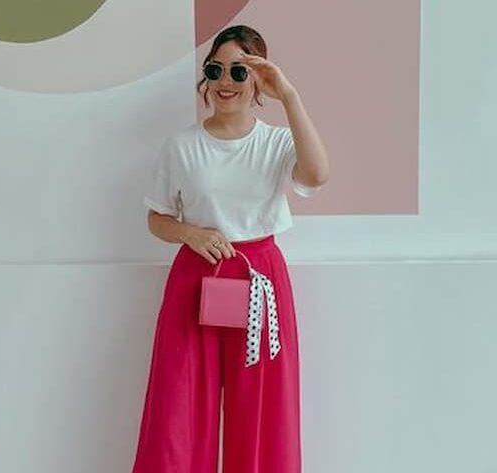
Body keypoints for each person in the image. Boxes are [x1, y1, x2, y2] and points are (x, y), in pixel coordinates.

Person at [132, 24, 329, 473]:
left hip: (261, 283)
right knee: (178, 409)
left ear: (258, 79)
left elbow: (317, 174)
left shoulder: (276, 142)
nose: (226, 81)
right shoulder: (182, 146)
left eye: (240, 71)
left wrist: (289, 96)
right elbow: (156, 219)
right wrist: (192, 234)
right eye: (216, 69)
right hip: (195, 278)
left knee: (261, 410)